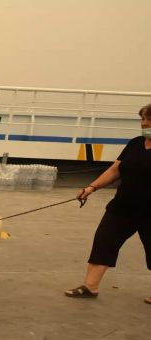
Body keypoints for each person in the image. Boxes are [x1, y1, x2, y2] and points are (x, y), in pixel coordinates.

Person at [65, 103, 151, 305]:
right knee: (104, 242)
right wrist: (91, 188)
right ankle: (90, 286)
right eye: (143, 120)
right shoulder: (136, 143)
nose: (145, 123)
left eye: (149, 120)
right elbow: (115, 170)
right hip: (122, 207)